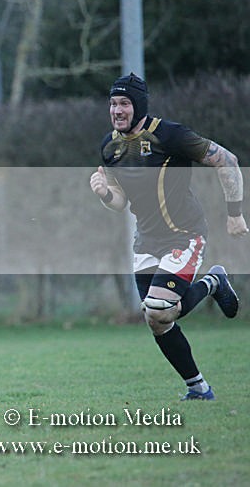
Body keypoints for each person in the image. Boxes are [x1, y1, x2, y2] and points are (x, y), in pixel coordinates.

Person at [89, 72, 246, 400]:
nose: (117, 110)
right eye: (113, 104)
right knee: (156, 319)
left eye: (125, 104)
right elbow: (120, 204)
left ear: (140, 106)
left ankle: (212, 282)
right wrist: (105, 193)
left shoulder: (170, 135)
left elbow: (227, 161)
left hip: (183, 235)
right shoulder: (110, 147)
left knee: (159, 308)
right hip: (146, 240)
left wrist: (235, 214)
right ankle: (198, 388)